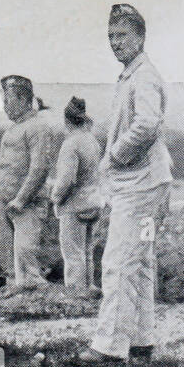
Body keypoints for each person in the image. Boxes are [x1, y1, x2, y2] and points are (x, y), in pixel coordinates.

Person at [80, 4, 174, 364]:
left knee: (120, 261)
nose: (115, 43)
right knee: (141, 261)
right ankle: (141, 340)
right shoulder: (131, 75)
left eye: (122, 36)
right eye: (110, 37)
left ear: (140, 37)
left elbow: (148, 123)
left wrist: (115, 155)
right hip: (149, 184)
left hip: (140, 187)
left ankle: (108, 347)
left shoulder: (144, 76)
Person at [0, 75, 64, 293]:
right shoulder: (12, 130)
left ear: (23, 99)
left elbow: (39, 169)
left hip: (26, 204)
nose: (5, 105)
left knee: (26, 255)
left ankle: (36, 300)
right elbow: (4, 167)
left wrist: (21, 199)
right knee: (8, 259)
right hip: (5, 203)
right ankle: (14, 298)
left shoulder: (38, 127)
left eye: (8, 99)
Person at [51, 97, 105, 296]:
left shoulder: (70, 144)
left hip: (75, 206)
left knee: (73, 254)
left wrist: (56, 197)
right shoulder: (92, 141)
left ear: (67, 121)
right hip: (94, 201)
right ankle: (89, 288)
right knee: (87, 251)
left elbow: (67, 180)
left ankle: (75, 294)